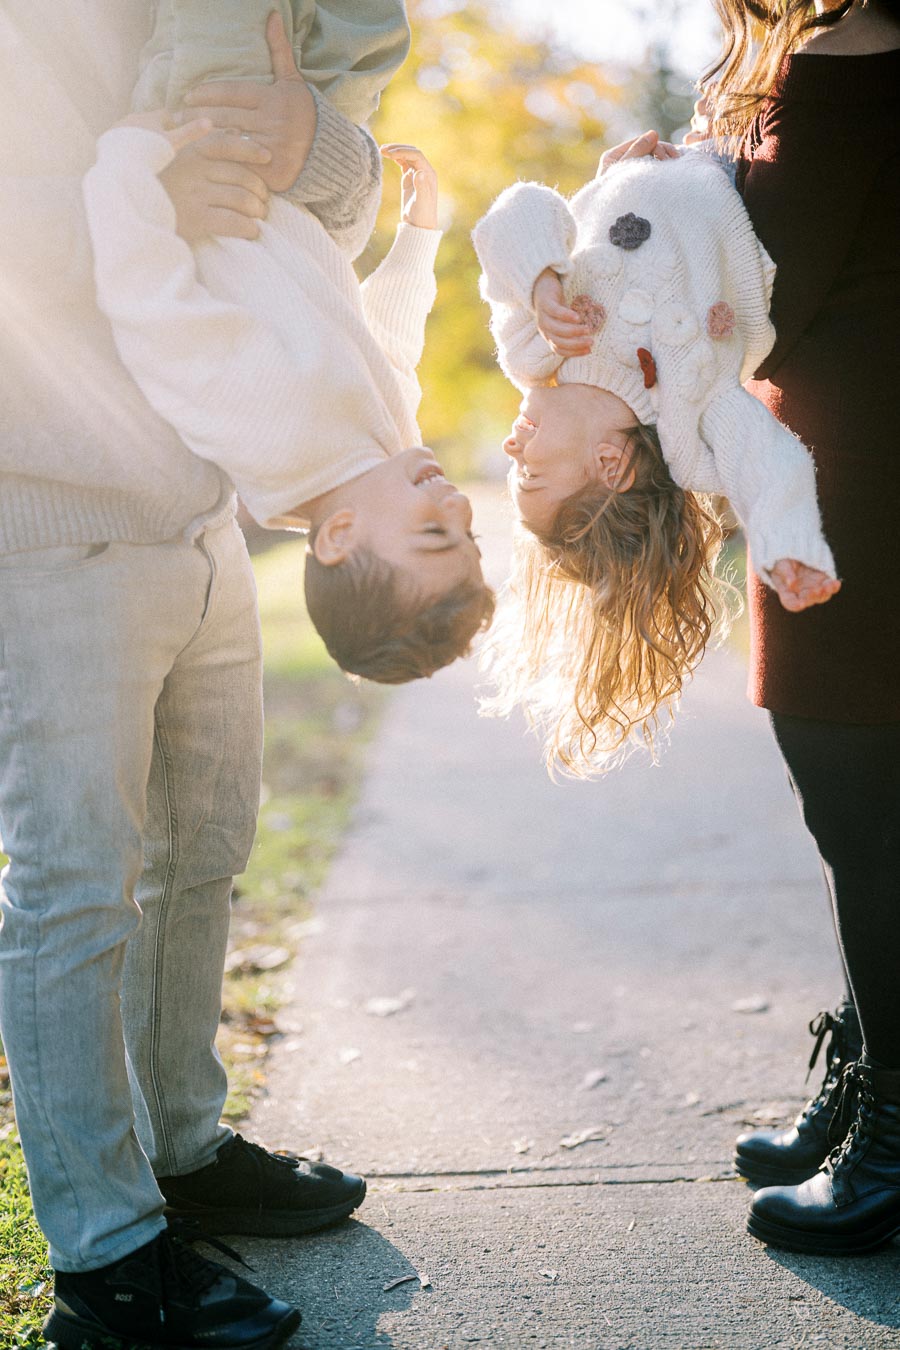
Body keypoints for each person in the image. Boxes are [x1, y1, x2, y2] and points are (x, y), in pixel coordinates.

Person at [0, 6, 408, 1347]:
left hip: (206, 505)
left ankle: (181, 1144)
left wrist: (320, 147)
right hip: (49, 511)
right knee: (75, 887)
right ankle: (108, 1261)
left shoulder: (243, 19)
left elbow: (338, 235)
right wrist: (146, 198)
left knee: (205, 849)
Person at [83, 7, 493, 685]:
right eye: (470, 535)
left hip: (209, 130)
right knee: (369, 34)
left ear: (338, 537)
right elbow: (391, 342)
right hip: (282, 157)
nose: (458, 506)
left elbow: (149, 306)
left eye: (434, 533)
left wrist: (127, 169)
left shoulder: (266, 437)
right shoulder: (383, 453)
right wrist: (419, 238)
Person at [691, 0, 900, 1255]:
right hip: (851, 455)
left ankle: (895, 1133)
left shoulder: (847, 49)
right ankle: (869, 1070)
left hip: (857, 478)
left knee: (863, 813)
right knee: (865, 811)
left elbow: (760, 288)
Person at [471, 136, 838, 775]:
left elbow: (517, 209)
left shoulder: (535, 348)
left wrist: (539, 282)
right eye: (529, 472)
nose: (511, 446)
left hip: (660, 157)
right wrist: (788, 549)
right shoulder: (688, 422)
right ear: (611, 465)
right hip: (730, 171)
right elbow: (767, 458)